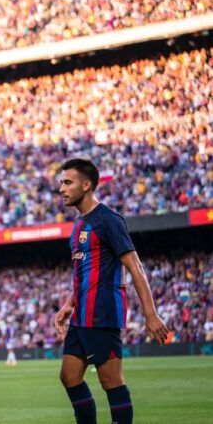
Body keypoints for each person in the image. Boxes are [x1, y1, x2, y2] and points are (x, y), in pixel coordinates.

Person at [53, 158, 168, 424]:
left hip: (102, 313)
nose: (62, 188)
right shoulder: (80, 223)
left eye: (68, 182)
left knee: (111, 381)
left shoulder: (108, 220)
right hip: (81, 315)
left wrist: (151, 315)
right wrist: (69, 304)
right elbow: (85, 271)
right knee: (69, 376)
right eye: (61, 182)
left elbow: (135, 266)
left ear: (87, 184)